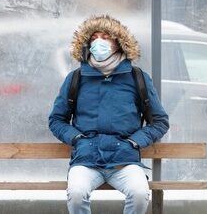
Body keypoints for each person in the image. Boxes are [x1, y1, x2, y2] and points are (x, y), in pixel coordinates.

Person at [48, 15, 170, 214]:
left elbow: (159, 122)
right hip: (86, 160)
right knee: (76, 194)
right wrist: (78, 139)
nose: (99, 41)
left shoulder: (137, 77)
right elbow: (57, 120)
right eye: (94, 37)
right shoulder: (76, 78)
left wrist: (134, 142)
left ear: (118, 42)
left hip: (124, 160)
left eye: (105, 36)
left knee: (139, 194)